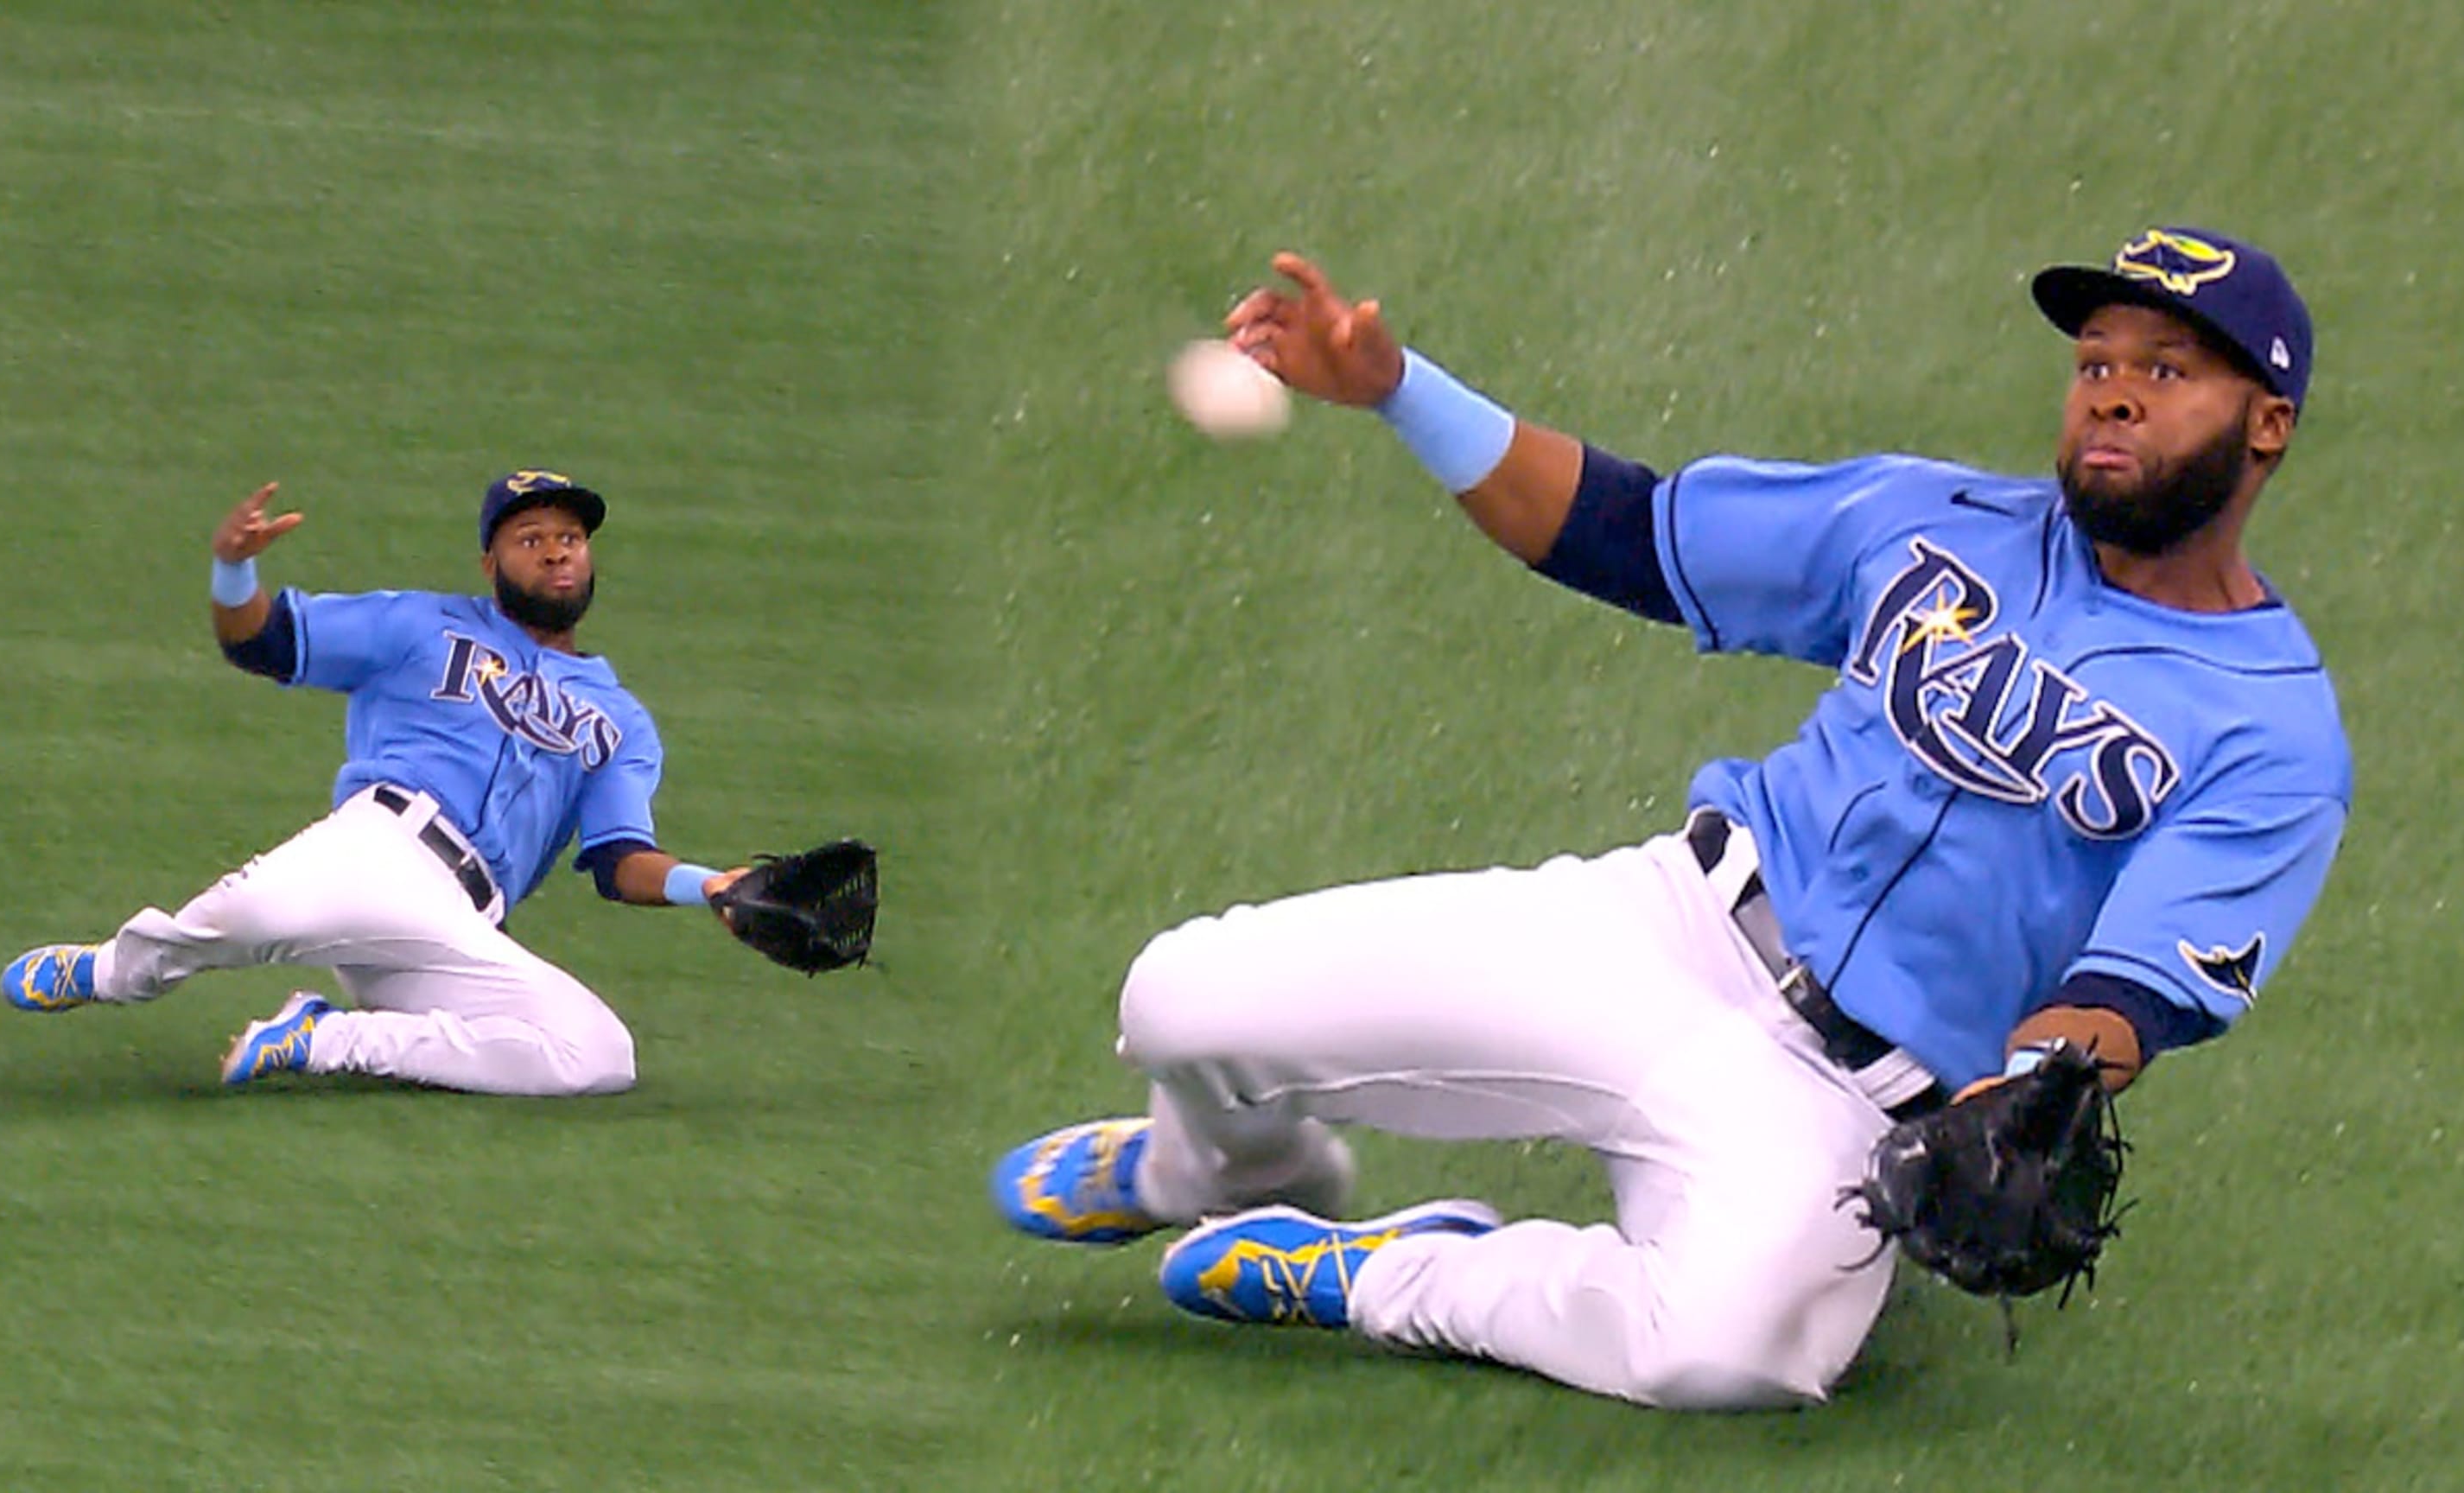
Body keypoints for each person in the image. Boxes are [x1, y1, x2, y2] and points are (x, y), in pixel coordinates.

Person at [988, 227, 2352, 1408]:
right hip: (1667, 933)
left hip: (1841, 1108)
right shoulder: (1930, 522)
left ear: (2267, 422)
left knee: (1732, 1356)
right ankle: (1221, 1169)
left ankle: (1396, 1270)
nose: (2111, 398)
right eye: (2096, 364)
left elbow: (2140, 985)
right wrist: (1399, 390)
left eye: (2164, 374)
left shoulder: (2274, 737)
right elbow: (1626, 533)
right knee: (1178, 999)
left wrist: (2044, 1083)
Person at [0, 471, 755, 1096]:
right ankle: (112, 969)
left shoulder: (619, 720)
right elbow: (262, 643)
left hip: (460, 921)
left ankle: (329, 1037)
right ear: (492, 566)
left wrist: (709, 885)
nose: (557, 555)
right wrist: (234, 568)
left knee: (599, 1056)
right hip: (380, 849)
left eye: (570, 539)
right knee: (237, 925)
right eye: (531, 541)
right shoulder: (420, 627)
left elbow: (622, 861)